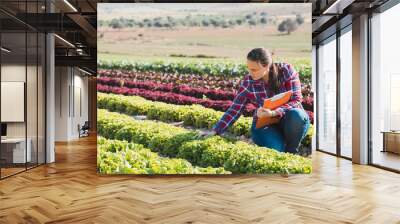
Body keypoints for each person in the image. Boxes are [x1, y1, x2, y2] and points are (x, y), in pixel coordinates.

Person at [207, 47, 309, 154]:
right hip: (265, 124)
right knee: (276, 150)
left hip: (291, 120)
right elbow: (235, 109)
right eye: (249, 68)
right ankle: (280, 144)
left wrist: (274, 112)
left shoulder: (286, 71)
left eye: (254, 69)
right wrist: (216, 130)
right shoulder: (249, 82)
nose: (250, 73)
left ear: (267, 66)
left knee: (296, 114)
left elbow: (296, 99)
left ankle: (292, 150)